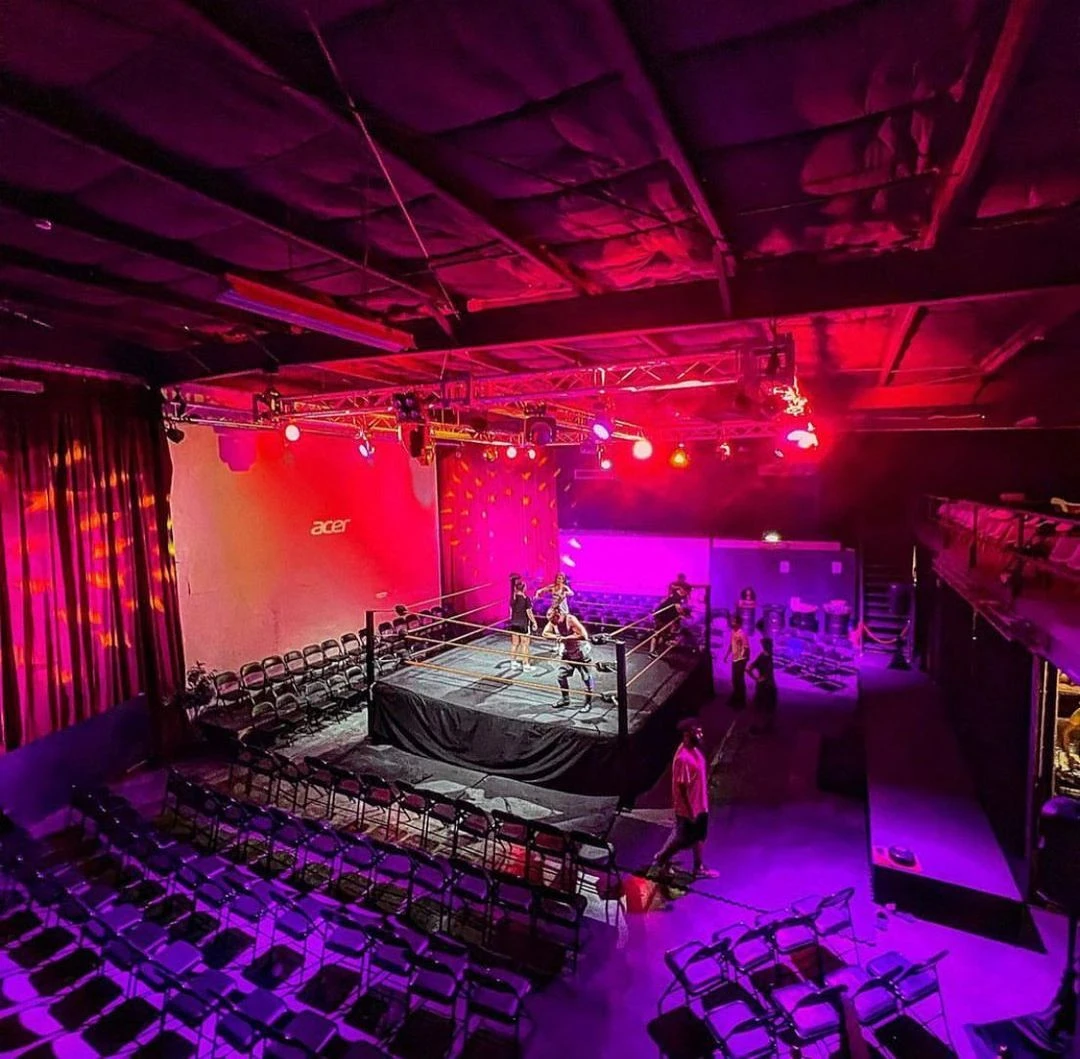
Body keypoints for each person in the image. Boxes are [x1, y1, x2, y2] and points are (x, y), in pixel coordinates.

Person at [650, 718, 718, 879]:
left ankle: (698, 866)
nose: (700, 734)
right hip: (689, 809)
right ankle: (660, 859)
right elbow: (682, 789)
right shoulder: (683, 758)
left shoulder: (695, 750)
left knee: (699, 836)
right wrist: (690, 811)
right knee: (682, 839)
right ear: (687, 734)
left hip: (700, 804)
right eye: (697, 732)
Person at [542, 606, 593, 710]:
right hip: (568, 654)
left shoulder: (570, 619)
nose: (552, 623)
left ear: (558, 615)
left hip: (580, 652)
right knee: (561, 676)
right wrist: (557, 637)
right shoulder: (554, 621)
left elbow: (584, 635)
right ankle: (565, 699)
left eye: (553, 620)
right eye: (550, 621)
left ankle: (588, 703)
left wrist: (566, 638)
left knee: (586, 678)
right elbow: (545, 633)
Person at [748, 636, 777, 734]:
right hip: (768, 687)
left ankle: (758, 727)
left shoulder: (762, 656)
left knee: (760, 707)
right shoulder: (766, 657)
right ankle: (761, 728)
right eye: (770, 645)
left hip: (763, 686)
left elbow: (749, 669)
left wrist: (756, 679)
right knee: (766, 708)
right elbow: (749, 669)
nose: (771, 647)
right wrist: (758, 679)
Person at [507, 576, 537, 671]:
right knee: (525, 644)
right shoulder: (526, 599)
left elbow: (510, 611)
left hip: (514, 623)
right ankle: (526, 665)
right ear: (524, 588)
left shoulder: (513, 598)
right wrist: (534, 622)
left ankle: (513, 663)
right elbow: (529, 613)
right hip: (523, 624)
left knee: (515, 644)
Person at [650, 588, 689, 656]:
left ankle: (655, 651)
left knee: (662, 635)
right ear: (683, 590)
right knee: (658, 634)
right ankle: (653, 651)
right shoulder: (676, 597)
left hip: (665, 618)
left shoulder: (673, 596)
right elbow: (678, 608)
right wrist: (683, 615)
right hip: (662, 618)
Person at [724, 616, 749, 708]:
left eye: (734, 621)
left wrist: (743, 659)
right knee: (735, 680)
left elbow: (746, 647)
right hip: (735, 659)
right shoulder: (733, 632)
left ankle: (741, 700)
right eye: (732, 621)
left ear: (739, 623)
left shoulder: (742, 634)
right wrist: (727, 655)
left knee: (739, 680)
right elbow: (731, 644)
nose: (732, 623)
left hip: (740, 660)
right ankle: (735, 697)